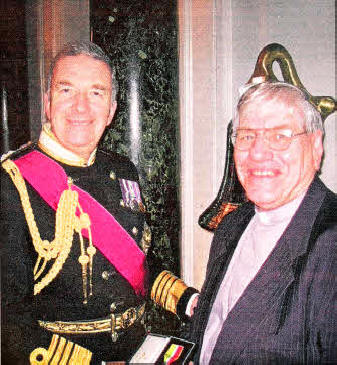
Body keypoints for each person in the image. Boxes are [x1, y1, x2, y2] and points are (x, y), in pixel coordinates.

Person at [0, 41, 198, 364]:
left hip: (137, 350)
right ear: (47, 103)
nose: (81, 107)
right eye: (67, 91)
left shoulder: (123, 171)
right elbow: (8, 319)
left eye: (96, 93)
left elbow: (141, 264)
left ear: (111, 111)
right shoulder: (12, 182)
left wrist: (186, 300)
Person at [189, 82, 337, 364]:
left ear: (316, 147)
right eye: (246, 137)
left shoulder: (330, 242)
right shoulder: (233, 224)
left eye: (280, 136)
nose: (257, 153)